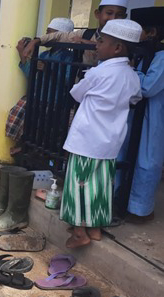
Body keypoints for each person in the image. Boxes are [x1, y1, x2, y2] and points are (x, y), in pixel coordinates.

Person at [60, 19, 142, 248]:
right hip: (110, 142)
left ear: (117, 48)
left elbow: (76, 94)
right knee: (101, 186)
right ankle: (94, 229)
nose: (96, 44)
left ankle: (79, 232)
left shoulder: (98, 73)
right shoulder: (132, 76)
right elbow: (135, 98)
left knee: (78, 184)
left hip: (86, 140)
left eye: (101, 41)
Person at [118, 6, 164, 222]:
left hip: (153, 115)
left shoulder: (162, 57)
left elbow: (148, 87)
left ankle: (139, 209)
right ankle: (118, 199)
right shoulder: (143, 53)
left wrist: (130, 70)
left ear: (152, 32)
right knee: (124, 154)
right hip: (134, 113)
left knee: (147, 160)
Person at [6, 17, 75, 151]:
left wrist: (49, 69)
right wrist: (22, 54)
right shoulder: (44, 54)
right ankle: (28, 149)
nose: (46, 37)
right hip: (39, 98)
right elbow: (31, 76)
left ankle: (38, 154)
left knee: (48, 132)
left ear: (59, 36)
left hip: (56, 102)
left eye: (50, 33)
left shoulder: (70, 57)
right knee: (32, 126)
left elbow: (69, 81)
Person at [24, 0, 129, 66]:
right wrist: (37, 40)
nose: (113, 18)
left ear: (124, 17)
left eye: (119, 15)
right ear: (98, 14)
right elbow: (61, 35)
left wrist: (87, 43)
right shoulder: (86, 33)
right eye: (109, 13)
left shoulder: (126, 39)